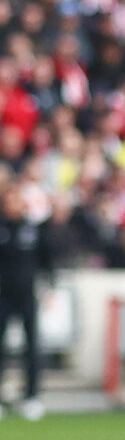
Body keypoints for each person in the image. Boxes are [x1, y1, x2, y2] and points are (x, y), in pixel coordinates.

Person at [0, 176, 51, 418]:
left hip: (26, 294)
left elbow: (46, 261)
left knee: (32, 346)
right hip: (2, 295)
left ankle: (31, 396)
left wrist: (49, 287)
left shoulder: (32, 228)